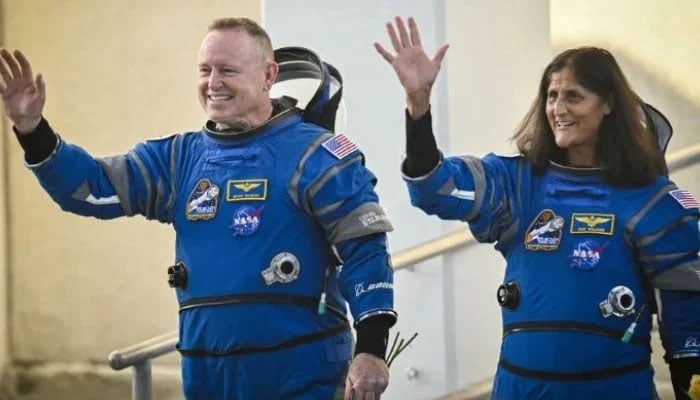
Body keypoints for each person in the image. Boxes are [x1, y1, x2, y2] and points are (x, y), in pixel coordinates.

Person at [0, 17, 397, 400]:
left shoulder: (317, 155)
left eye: (227, 70)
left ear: (268, 76)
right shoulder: (177, 160)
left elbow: (365, 252)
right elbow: (90, 190)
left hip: (303, 376)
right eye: (204, 69)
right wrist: (34, 131)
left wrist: (372, 350)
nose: (213, 83)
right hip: (208, 379)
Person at [375, 16, 700, 400]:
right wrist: (418, 106)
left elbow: (687, 323)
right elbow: (435, 188)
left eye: (573, 96)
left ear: (610, 104)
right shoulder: (517, 183)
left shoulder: (652, 199)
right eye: (551, 95)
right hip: (522, 389)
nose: (558, 108)